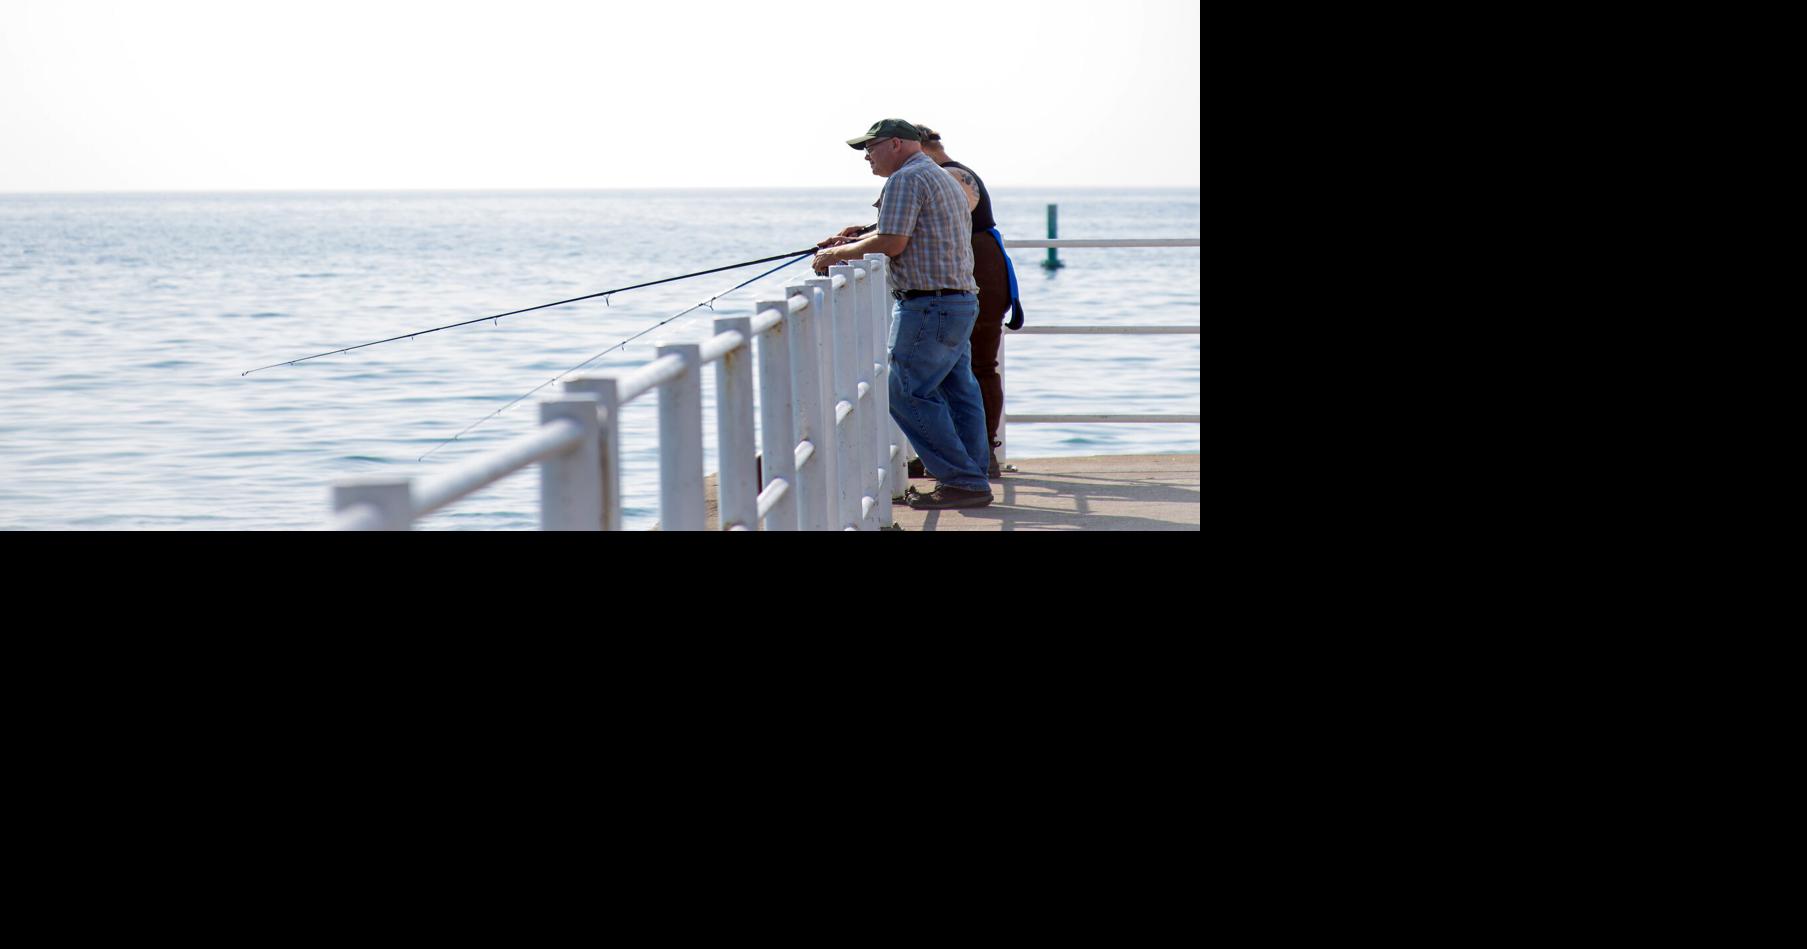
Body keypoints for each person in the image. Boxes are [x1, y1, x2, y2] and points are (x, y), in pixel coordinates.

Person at [813, 118, 991, 510]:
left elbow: (893, 242)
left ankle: (963, 480)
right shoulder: (938, 175)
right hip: (958, 299)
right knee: (958, 390)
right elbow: (903, 231)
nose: (866, 156)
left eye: (870, 147)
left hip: (929, 303)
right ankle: (972, 474)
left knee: (904, 392)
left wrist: (833, 255)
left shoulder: (905, 180)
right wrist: (855, 240)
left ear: (895, 143)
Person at [915, 125, 1024, 479]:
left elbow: (932, 222)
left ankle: (983, 452)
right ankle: (957, 451)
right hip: (974, 270)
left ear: (921, 147)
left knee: (979, 365)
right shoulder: (949, 174)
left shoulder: (953, 176)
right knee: (956, 370)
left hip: (980, 274)